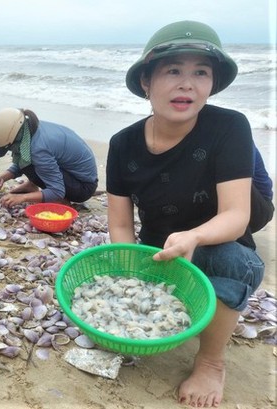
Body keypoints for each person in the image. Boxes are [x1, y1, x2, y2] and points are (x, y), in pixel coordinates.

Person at [105, 21, 272, 407]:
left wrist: (195, 237)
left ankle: (211, 361)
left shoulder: (229, 127)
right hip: (160, 247)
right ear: (146, 81)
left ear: (212, 83)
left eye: (201, 72)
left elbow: (236, 215)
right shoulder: (123, 144)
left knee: (233, 262)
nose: (187, 84)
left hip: (219, 241)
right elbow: (119, 222)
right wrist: (131, 268)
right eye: (173, 70)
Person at [0, 108, 98, 208]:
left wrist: (22, 198)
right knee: (33, 161)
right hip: (75, 175)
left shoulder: (38, 149)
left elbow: (57, 191)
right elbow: (23, 159)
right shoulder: (29, 129)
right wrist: (3, 177)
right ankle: (31, 186)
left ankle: (61, 201)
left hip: (83, 187)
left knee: (34, 161)